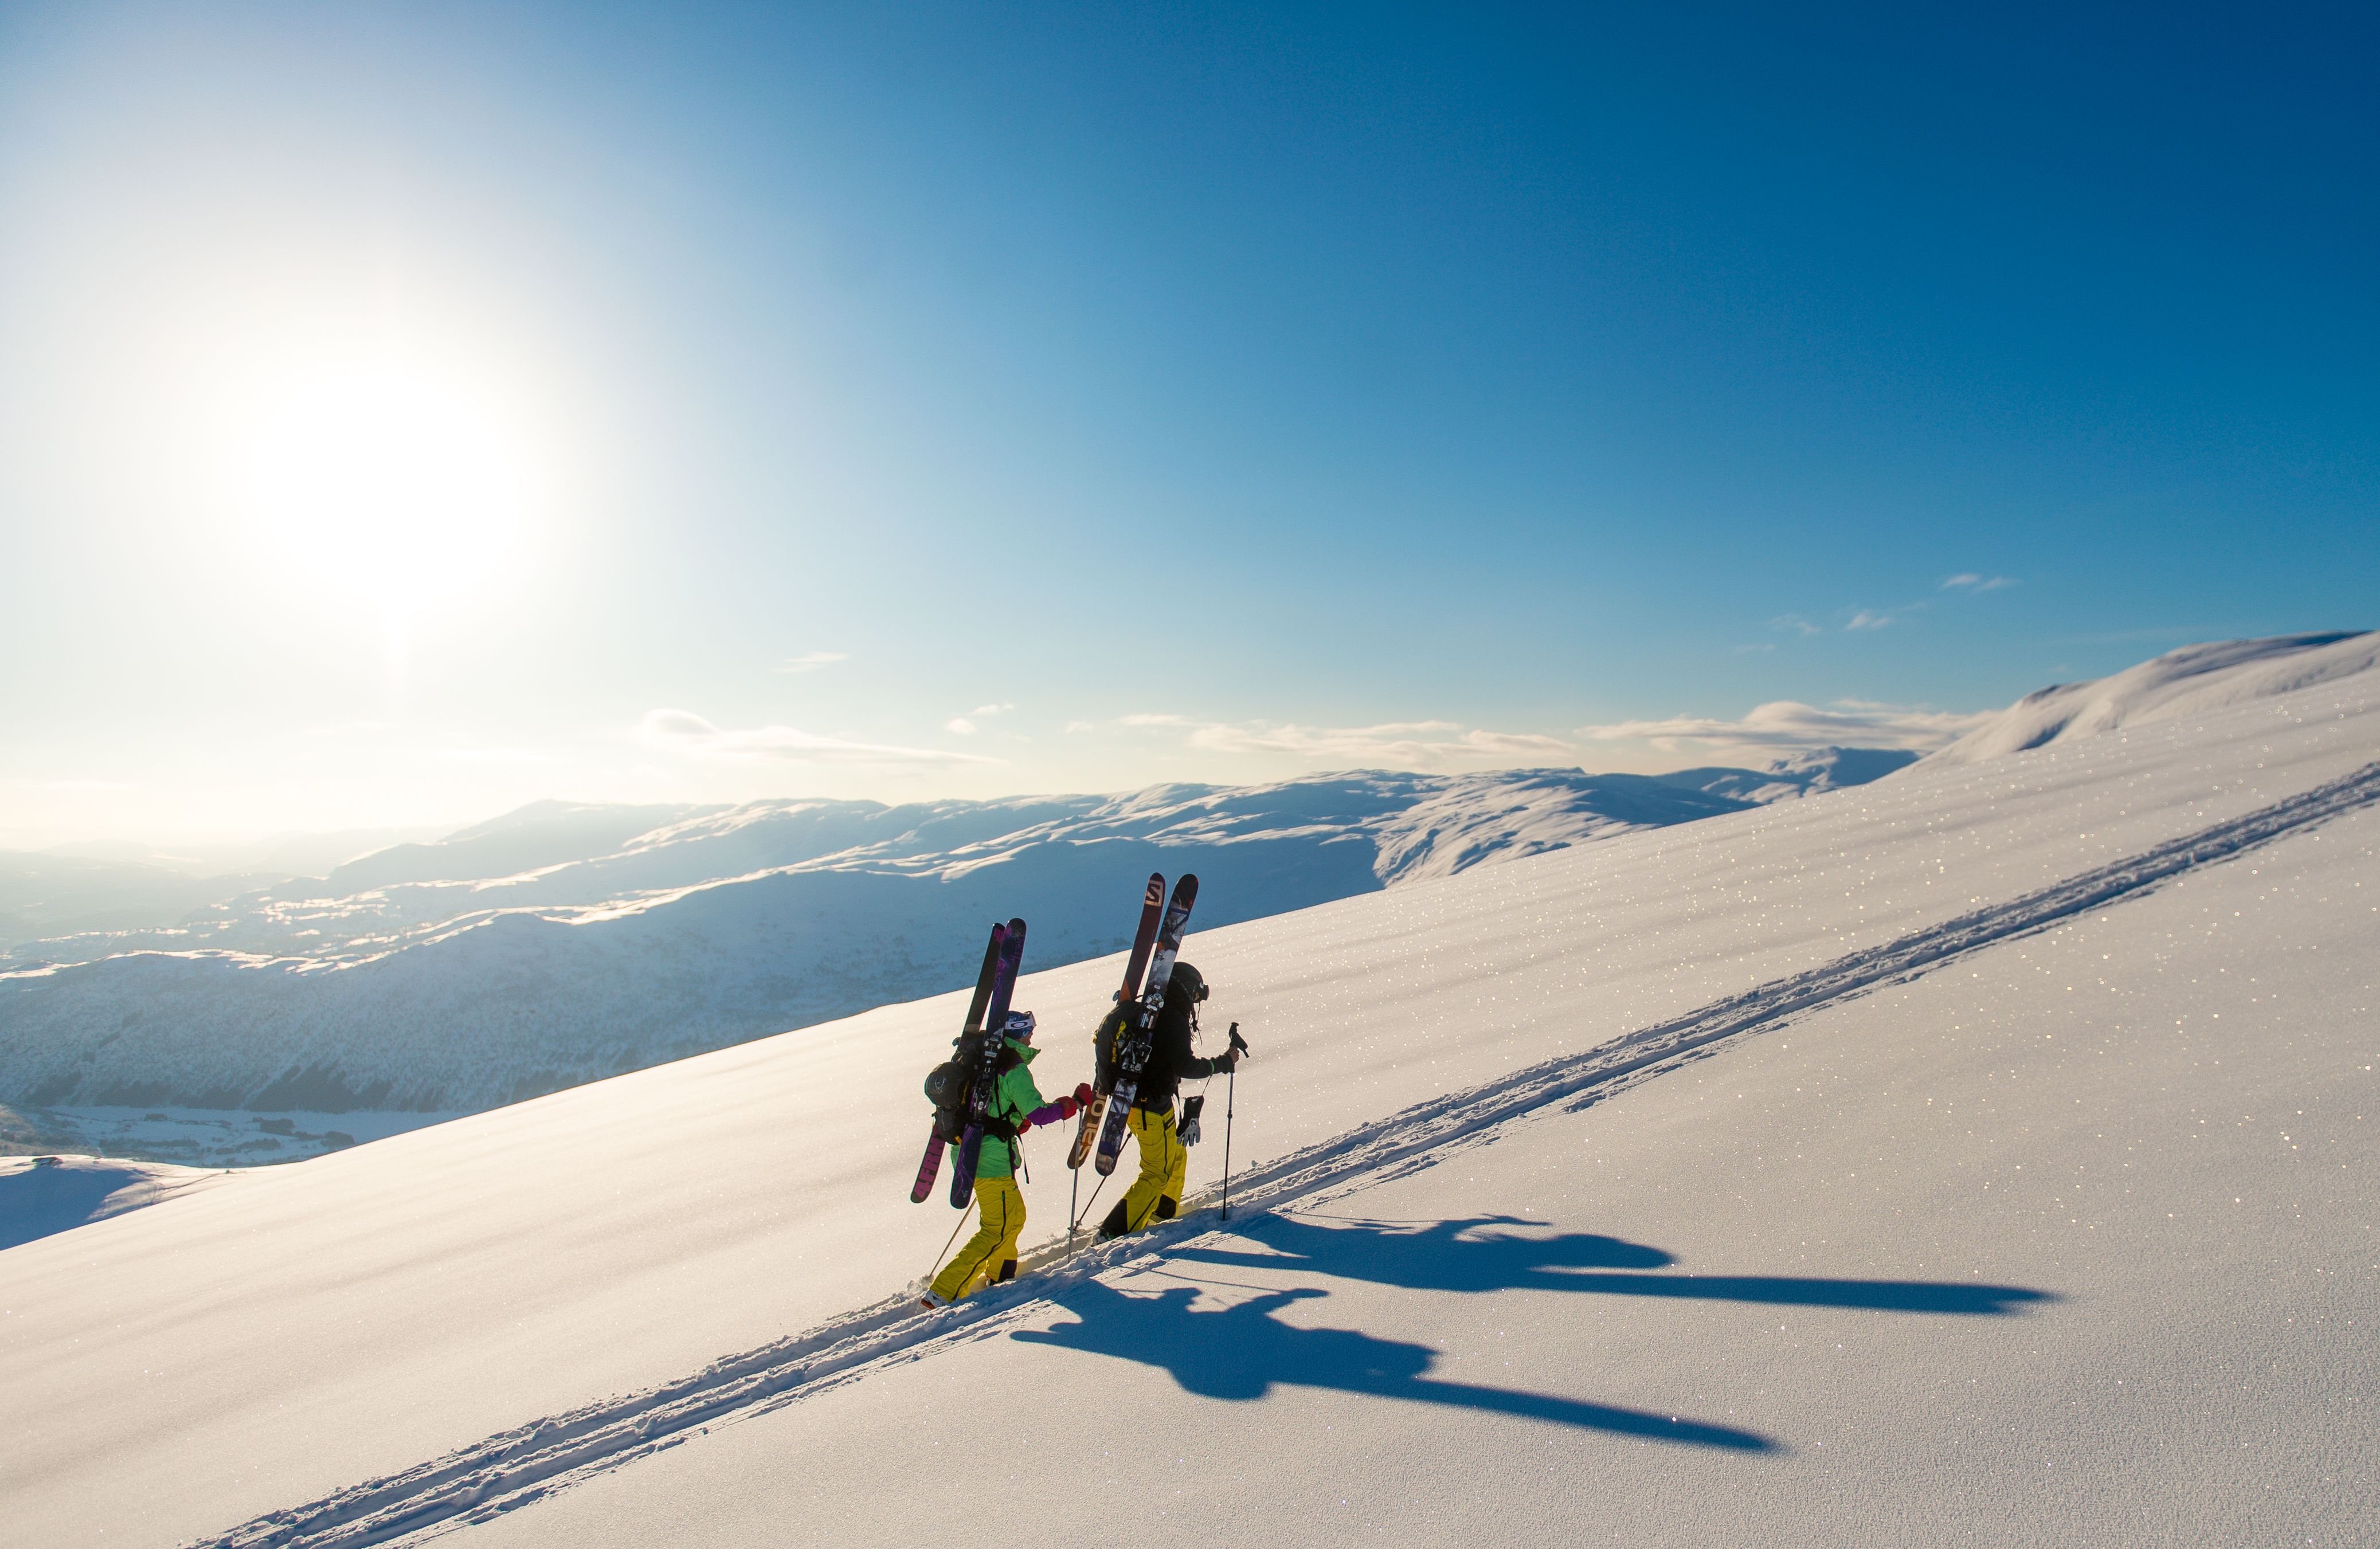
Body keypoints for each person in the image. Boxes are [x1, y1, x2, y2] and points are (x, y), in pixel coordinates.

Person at [923, 1010, 1091, 1308]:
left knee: (1013, 1217)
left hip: (972, 1151)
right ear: (1016, 1034)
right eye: (1028, 1030)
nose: (1031, 1035)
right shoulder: (1012, 1068)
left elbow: (995, 1107)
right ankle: (942, 1293)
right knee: (996, 1227)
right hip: (989, 1158)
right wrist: (1074, 1103)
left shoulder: (984, 1061)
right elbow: (1038, 1113)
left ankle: (1000, 1274)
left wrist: (1012, 1121)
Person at [1097, 960, 1243, 1239]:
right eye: (1197, 995)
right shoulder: (1171, 1018)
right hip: (1149, 1106)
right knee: (1156, 1173)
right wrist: (1222, 1062)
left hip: (1134, 1102)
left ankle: (1162, 1213)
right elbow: (1185, 1066)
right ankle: (1112, 1232)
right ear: (1187, 989)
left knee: (1175, 1154)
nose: (1196, 1002)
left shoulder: (1145, 1012)